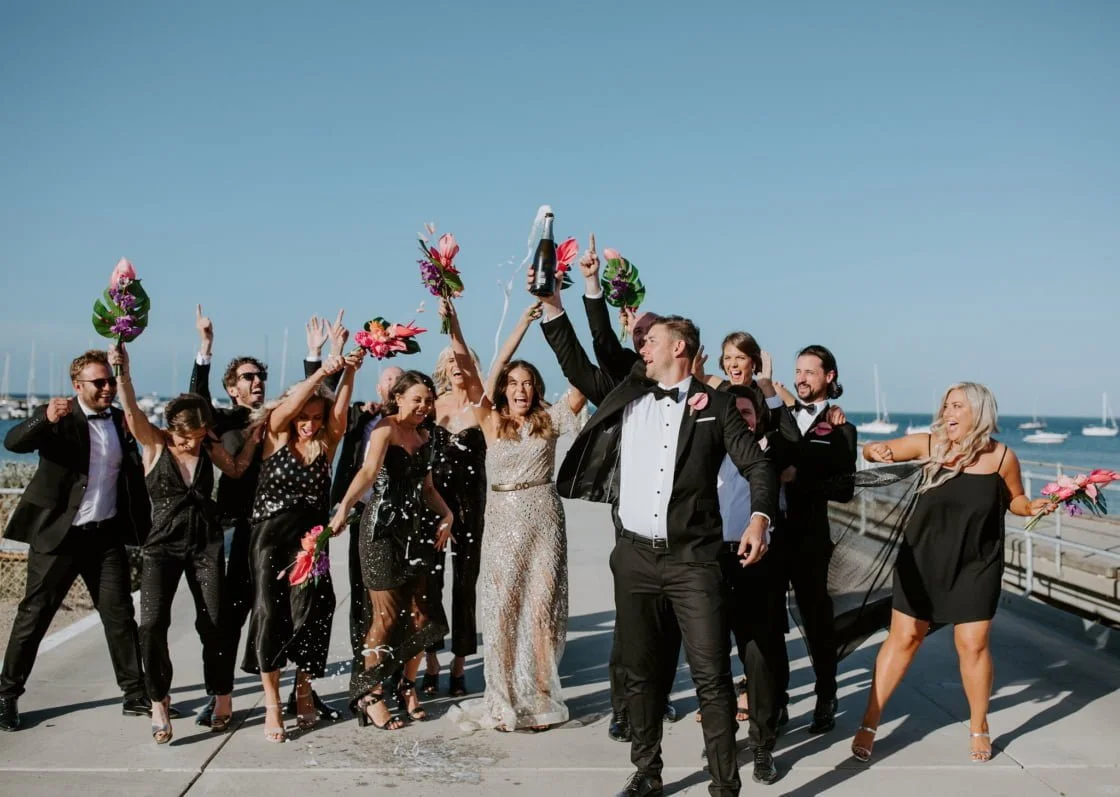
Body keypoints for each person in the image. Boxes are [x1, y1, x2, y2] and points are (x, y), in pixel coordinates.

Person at [538, 258, 776, 797]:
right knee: (641, 674)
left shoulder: (718, 406)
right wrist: (556, 304)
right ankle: (647, 772)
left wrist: (760, 517)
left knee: (711, 677)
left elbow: (758, 466)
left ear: (679, 348)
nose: (642, 346)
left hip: (694, 562)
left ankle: (724, 787)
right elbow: (577, 358)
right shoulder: (627, 393)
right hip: (635, 559)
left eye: (651, 341)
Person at [851, 383, 1053, 764]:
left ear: (978, 411)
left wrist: (1032, 508)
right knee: (905, 638)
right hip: (921, 559)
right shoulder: (929, 445)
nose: (948, 413)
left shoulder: (1002, 457)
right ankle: (870, 721)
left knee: (973, 644)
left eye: (957, 406)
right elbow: (874, 449)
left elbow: (1016, 499)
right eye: (946, 406)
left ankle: (979, 725)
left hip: (977, 562)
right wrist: (873, 451)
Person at [443, 298, 586, 732]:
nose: (521, 390)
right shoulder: (489, 421)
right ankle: (503, 698)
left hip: (544, 519)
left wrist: (565, 318)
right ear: (504, 388)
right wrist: (519, 323)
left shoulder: (550, 420)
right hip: (503, 522)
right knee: (503, 609)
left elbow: (581, 381)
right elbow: (472, 366)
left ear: (536, 389)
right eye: (513, 383)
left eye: (527, 383)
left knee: (541, 610)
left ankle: (539, 699)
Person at [112, 343, 259, 742]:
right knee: (151, 624)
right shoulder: (156, 444)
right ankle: (158, 700)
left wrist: (253, 435)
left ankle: (222, 696)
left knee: (215, 623)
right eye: (188, 438)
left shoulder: (207, 446)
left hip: (205, 547)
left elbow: (236, 469)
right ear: (174, 429)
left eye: (198, 437)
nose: (192, 444)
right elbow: (131, 410)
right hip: (161, 548)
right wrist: (122, 370)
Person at [1, 350, 152, 732]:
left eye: (110, 381)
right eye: (98, 382)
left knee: (120, 616)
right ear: (77, 385)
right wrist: (44, 418)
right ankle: (6, 695)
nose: (107, 388)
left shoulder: (120, 421)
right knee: (34, 616)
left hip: (104, 537)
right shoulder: (60, 419)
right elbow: (14, 442)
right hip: (59, 536)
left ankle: (135, 694)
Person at [574, 235, 680, 738]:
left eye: (648, 335)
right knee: (631, 617)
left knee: (670, 618)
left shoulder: (690, 389)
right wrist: (593, 284)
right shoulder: (626, 376)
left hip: (680, 519)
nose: (641, 342)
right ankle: (624, 705)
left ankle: (659, 695)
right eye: (635, 335)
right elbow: (601, 343)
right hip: (632, 516)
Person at [242, 351, 358, 742]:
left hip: (310, 541)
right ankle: (272, 704)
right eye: (303, 417)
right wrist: (322, 372)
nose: (309, 424)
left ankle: (304, 691)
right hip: (270, 539)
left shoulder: (325, 444)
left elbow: (340, 414)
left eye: (316, 418)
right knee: (269, 615)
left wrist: (350, 372)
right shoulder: (275, 435)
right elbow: (286, 409)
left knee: (314, 613)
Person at [329, 371, 453, 731]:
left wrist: (448, 515)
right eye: (416, 399)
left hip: (415, 534)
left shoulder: (427, 436)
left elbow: (427, 489)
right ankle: (371, 694)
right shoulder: (384, 429)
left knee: (421, 617)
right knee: (383, 618)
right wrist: (343, 508)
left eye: (428, 400)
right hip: (380, 533)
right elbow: (368, 473)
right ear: (398, 398)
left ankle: (406, 686)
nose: (423, 406)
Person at [767, 345, 858, 736]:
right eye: (798, 371)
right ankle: (777, 701)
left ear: (829, 377)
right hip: (771, 536)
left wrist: (799, 478)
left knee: (817, 621)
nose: (801, 378)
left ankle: (826, 696)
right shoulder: (778, 417)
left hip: (811, 539)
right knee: (771, 623)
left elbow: (845, 490)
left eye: (810, 372)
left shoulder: (842, 428)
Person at [190, 305, 273, 727]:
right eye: (248, 377)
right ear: (232, 388)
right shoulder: (223, 422)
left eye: (260, 376)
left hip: (272, 528)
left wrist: (317, 358)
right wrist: (205, 348)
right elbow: (196, 404)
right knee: (225, 618)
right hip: (234, 527)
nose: (257, 382)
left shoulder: (276, 418)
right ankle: (220, 696)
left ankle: (299, 692)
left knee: (280, 612)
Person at [709, 384, 786, 784]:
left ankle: (762, 746)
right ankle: (722, 745)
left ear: (758, 418)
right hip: (710, 562)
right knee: (712, 658)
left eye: (747, 413)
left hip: (755, 561)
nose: (740, 420)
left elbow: (790, 428)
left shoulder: (772, 453)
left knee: (758, 657)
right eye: (733, 413)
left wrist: (770, 389)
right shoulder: (705, 452)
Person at [422, 344, 488, 697]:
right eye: (450, 359)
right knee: (430, 583)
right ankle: (431, 658)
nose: (456, 364)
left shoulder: (484, 404)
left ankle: (459, 663)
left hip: (471, 505)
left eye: (462, 359)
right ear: (443, 368)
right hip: (434, 504)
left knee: (465, 584)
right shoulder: (432, 405)